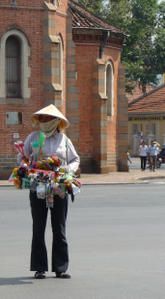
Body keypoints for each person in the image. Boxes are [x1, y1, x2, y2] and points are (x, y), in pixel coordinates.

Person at [23, 104, 80, 279]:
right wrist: (27, 165)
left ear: (56, 122)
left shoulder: (64, 140)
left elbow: (74, 159)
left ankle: (60, 267)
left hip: (59, 187)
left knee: (59, 227)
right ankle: (39, 267)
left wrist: (67, 171)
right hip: (38, 186)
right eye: (42, 119)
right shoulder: (34, 137)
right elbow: (23, 157)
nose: (44, 122)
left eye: (48, 119)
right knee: (38, 228)